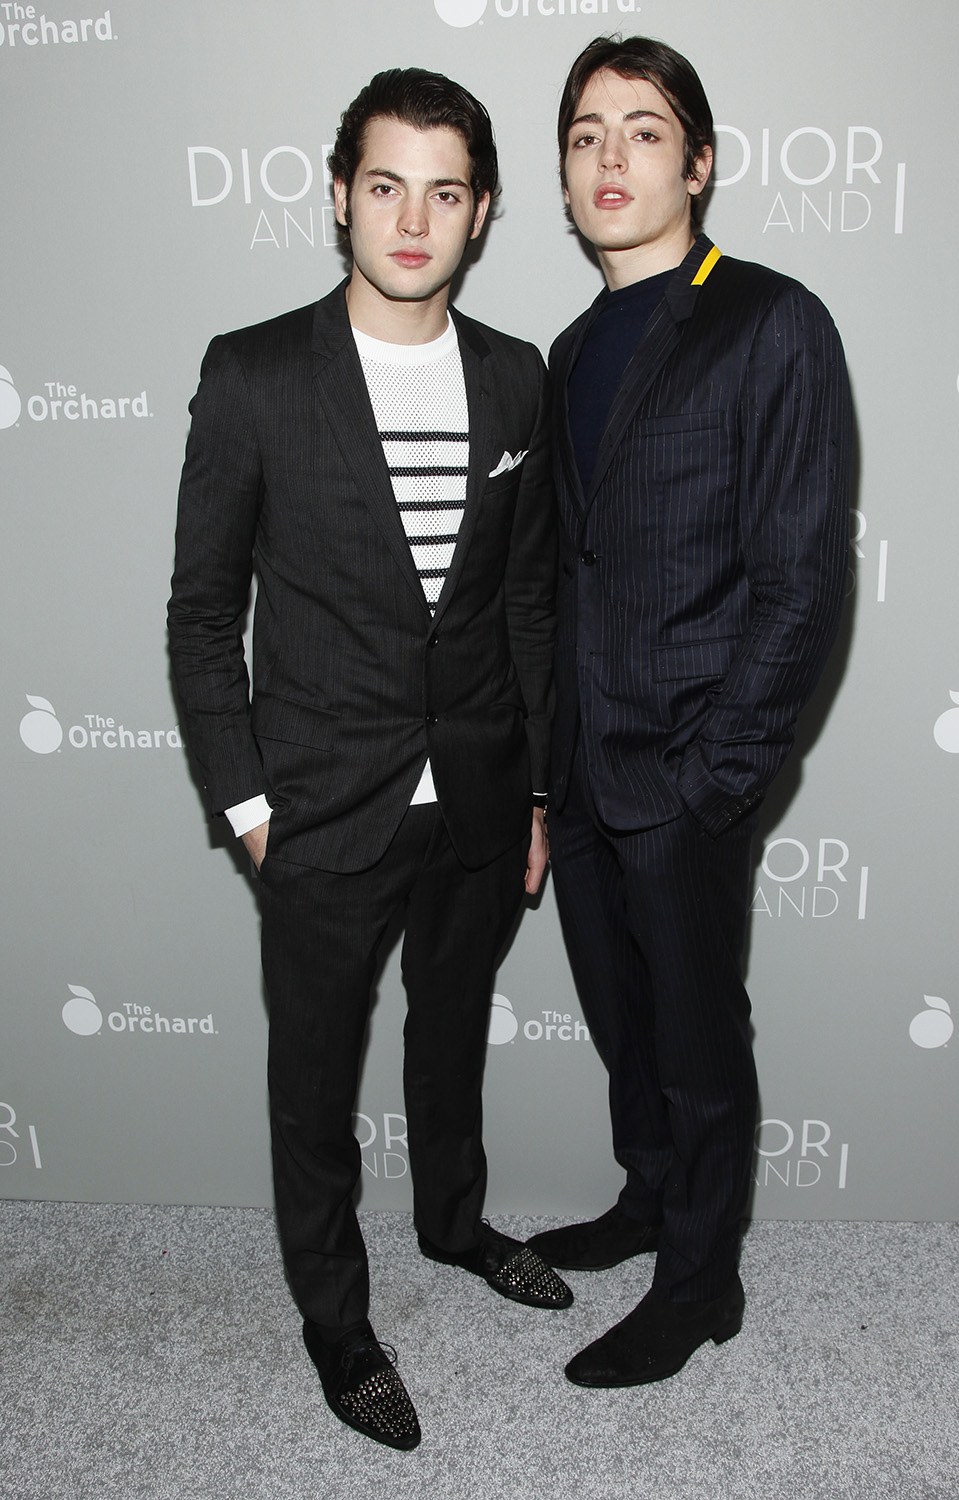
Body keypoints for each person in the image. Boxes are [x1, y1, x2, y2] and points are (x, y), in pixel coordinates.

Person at [167, 67, 567, 1453]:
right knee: (315, 1087)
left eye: (444, 193)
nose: (411, 220)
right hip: (321, 811)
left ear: (483, 211)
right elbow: (204, 614)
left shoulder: (518, 377)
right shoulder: (256, 373)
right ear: (339, 194)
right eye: (385, 186)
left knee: (450, 1040)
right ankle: (337, 1325)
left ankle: (453, 1224)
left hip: (479, 794)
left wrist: (534, 790)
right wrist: (248, 807)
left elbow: (524, 605)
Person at [526, 35, 851, 1388]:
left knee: (700, 1039)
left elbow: (802, 577)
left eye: (644, 131)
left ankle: (703, 1282)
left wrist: (720, 777)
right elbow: (566, 577)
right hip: (584, 770)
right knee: (622, 1019)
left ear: (699, 164)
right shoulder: (567, 351)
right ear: (562, 173)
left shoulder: (769, 320)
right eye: (586, 135)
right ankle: (651, 1198)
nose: (611, 157)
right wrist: (544, 781)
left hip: (687, 771)